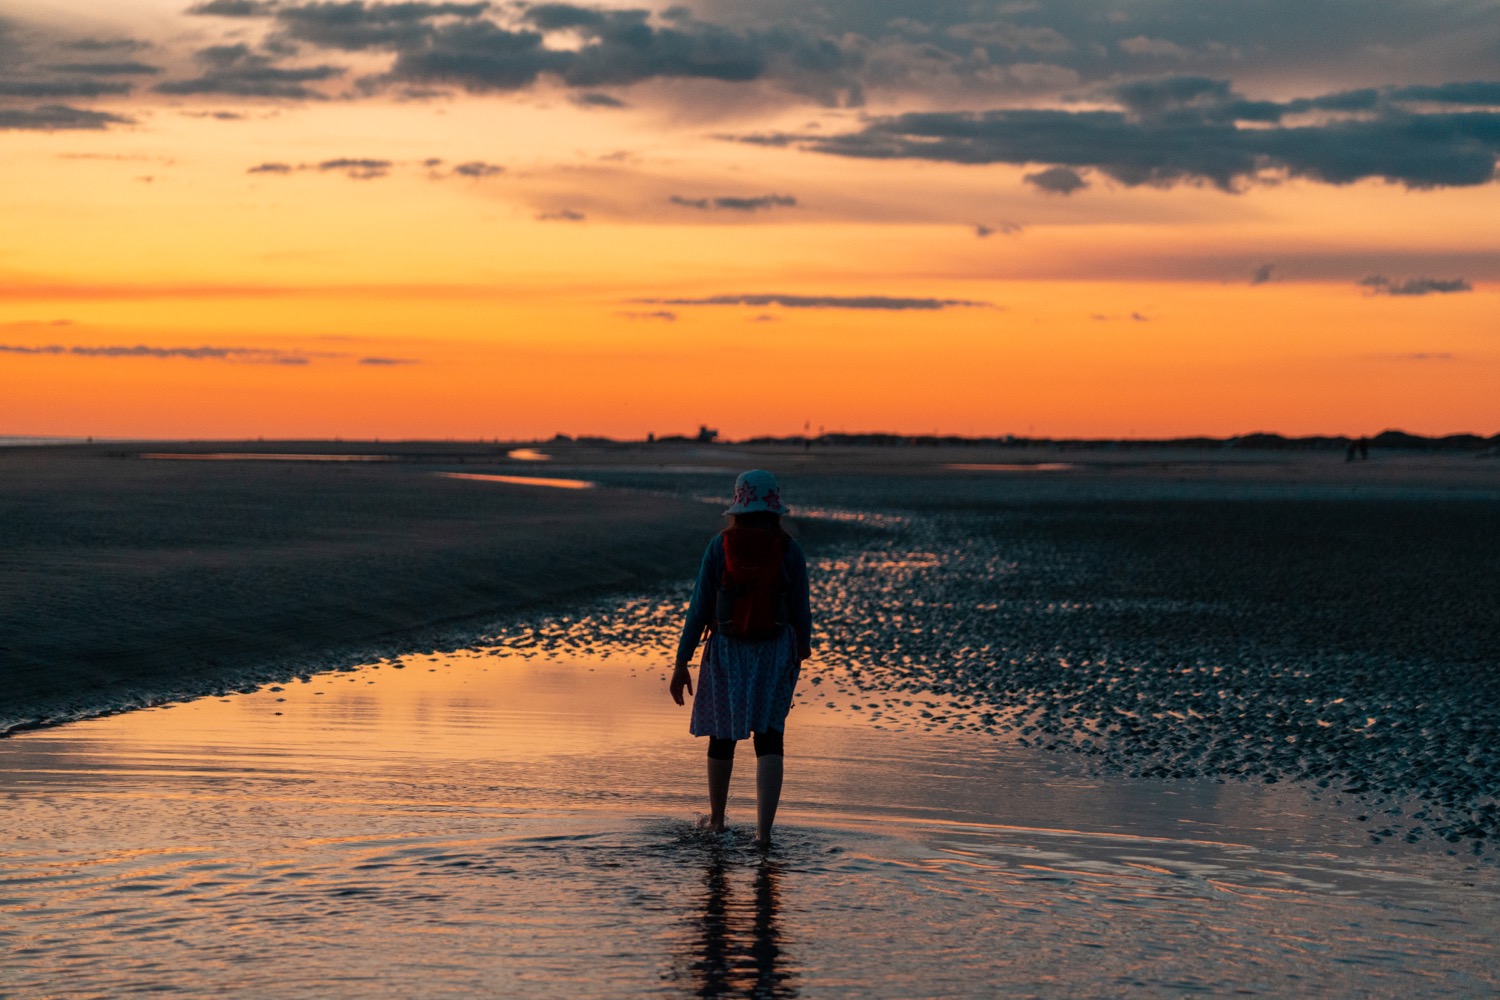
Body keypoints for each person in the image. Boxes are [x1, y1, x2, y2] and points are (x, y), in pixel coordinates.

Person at [670, 470, 813, 848]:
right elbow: (801, 612)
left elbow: (698, 608)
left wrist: (682, 662)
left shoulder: (719, 547)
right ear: (775, 508)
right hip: (775, 652)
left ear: (737, 507)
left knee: (722, 736)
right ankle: (764, 835)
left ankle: (717, 822)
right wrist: (799, 655)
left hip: (727, 652)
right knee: (770, 738)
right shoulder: (790, 549)